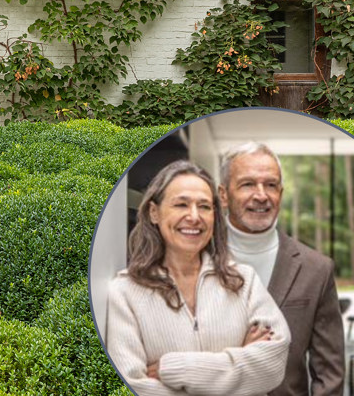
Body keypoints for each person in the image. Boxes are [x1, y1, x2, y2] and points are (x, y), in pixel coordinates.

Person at [107, 160, 290, 396]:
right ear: (154, 212)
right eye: (181, 204)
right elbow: (134, 385)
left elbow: (272, 366)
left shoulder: (244, 281)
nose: (194, 217)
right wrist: (241, 363)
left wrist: (173, 369)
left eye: (204, 206)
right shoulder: (125, 292)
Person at [219, 142, 345, 396]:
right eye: (247, 184)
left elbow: (329, 373)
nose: (261, 195)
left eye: (271, 185)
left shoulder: (316, 269)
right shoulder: (196, 259)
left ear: (281, 193)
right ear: (223, 195)